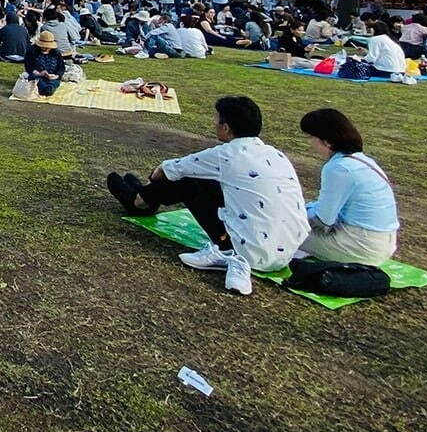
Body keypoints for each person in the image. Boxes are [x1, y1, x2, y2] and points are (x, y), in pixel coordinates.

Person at [105, 96, 308, 295]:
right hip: (287, 252)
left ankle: (138, 201)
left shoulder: (226, 155)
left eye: (216, 119)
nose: (214, 123)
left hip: (250, 252)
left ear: (226, 127)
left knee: (189, 180)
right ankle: (144, 198)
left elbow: (165, 170)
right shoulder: (276, 155)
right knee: (204, 178)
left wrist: (150, 184)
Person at [297, 109, 399, 266]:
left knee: (283, 232)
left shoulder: (339, 168)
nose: (311, 143)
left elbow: (323, 221)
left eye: (312, 137)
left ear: (327, 141)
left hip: (361, 245)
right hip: (383, 242)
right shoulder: (364, 161)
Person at [23, 30, 65, 96]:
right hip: (37, 76)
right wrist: (38, 73)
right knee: (34, 78)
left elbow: (61, 67)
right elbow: (28, 65)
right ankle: (44, 88)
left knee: (54, 82)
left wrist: (56, 75)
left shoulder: (56, 53)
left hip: (52, 76)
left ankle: (49, 88)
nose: (46, 48)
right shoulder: (32, 51)